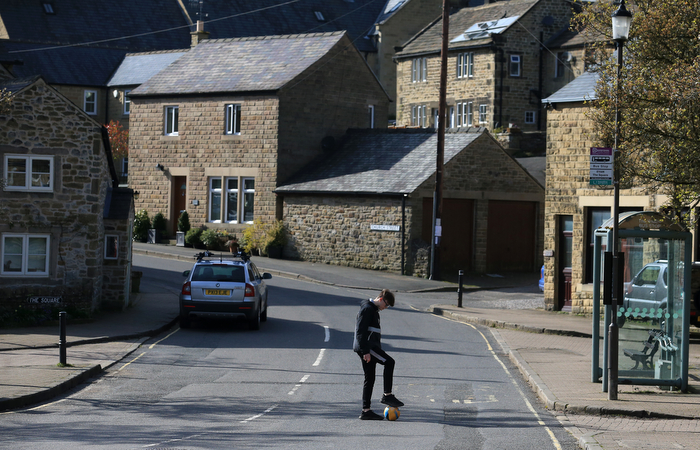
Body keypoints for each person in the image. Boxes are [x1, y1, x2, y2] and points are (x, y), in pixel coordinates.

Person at [353, 289, 404, 420]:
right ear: (381, 299)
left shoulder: (373, 310)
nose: (386, 308)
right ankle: (387, 395)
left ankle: (366, 411)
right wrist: (365, 351)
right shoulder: (367, 309)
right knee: (389, 362)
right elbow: (360, 331)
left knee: (369, 378)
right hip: (368, 347)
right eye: (386, 305)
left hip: (370, 347)